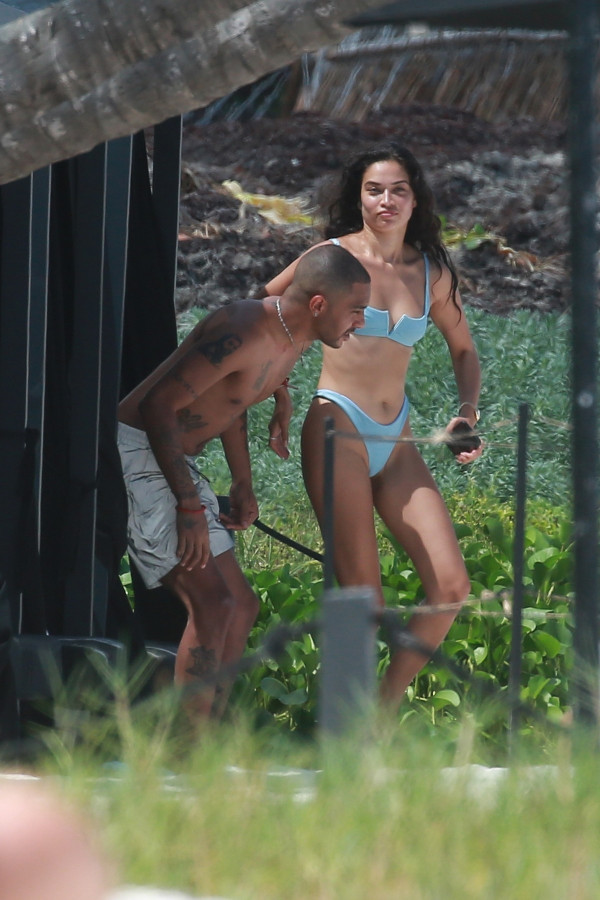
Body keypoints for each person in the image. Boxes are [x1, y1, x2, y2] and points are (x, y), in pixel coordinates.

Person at [261, 142, 483, 711]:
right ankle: (345, 732)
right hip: (337, 424)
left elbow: (464, 349)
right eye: (374, 190)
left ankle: (379, 715)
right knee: (363, 600)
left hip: (397, 436)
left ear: (416, 200)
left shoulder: (431, 272)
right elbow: (265, 308)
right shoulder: (331, 257)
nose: (386, 200)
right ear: (357, 198)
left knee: (451, 587)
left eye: (398, 190)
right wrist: (278, 391)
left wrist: (467, 411)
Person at [117, 244, 369, 720]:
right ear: (319, 304)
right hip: (136, 452)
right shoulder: (246, 329)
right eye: (356, 310)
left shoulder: (292, 340)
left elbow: (232, 401)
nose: (361, 322)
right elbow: (157, 406)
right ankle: (187, 746)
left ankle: (207, 732)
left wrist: (242, 482)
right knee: (213, 606)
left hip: (172, 460)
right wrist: (190, 506)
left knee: (241, 605)